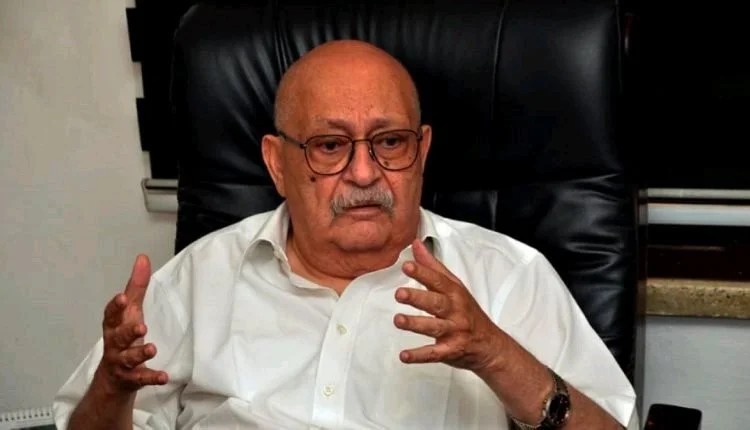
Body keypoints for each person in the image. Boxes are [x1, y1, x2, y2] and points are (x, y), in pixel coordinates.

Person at [53, 40, 637, 429]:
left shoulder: (507, 277)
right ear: (277, 163)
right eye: (329, 146)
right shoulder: (199, 278)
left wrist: (496, 353)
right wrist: (112, 387)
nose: (363, 173)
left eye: (390, 142)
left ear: (422, 151)